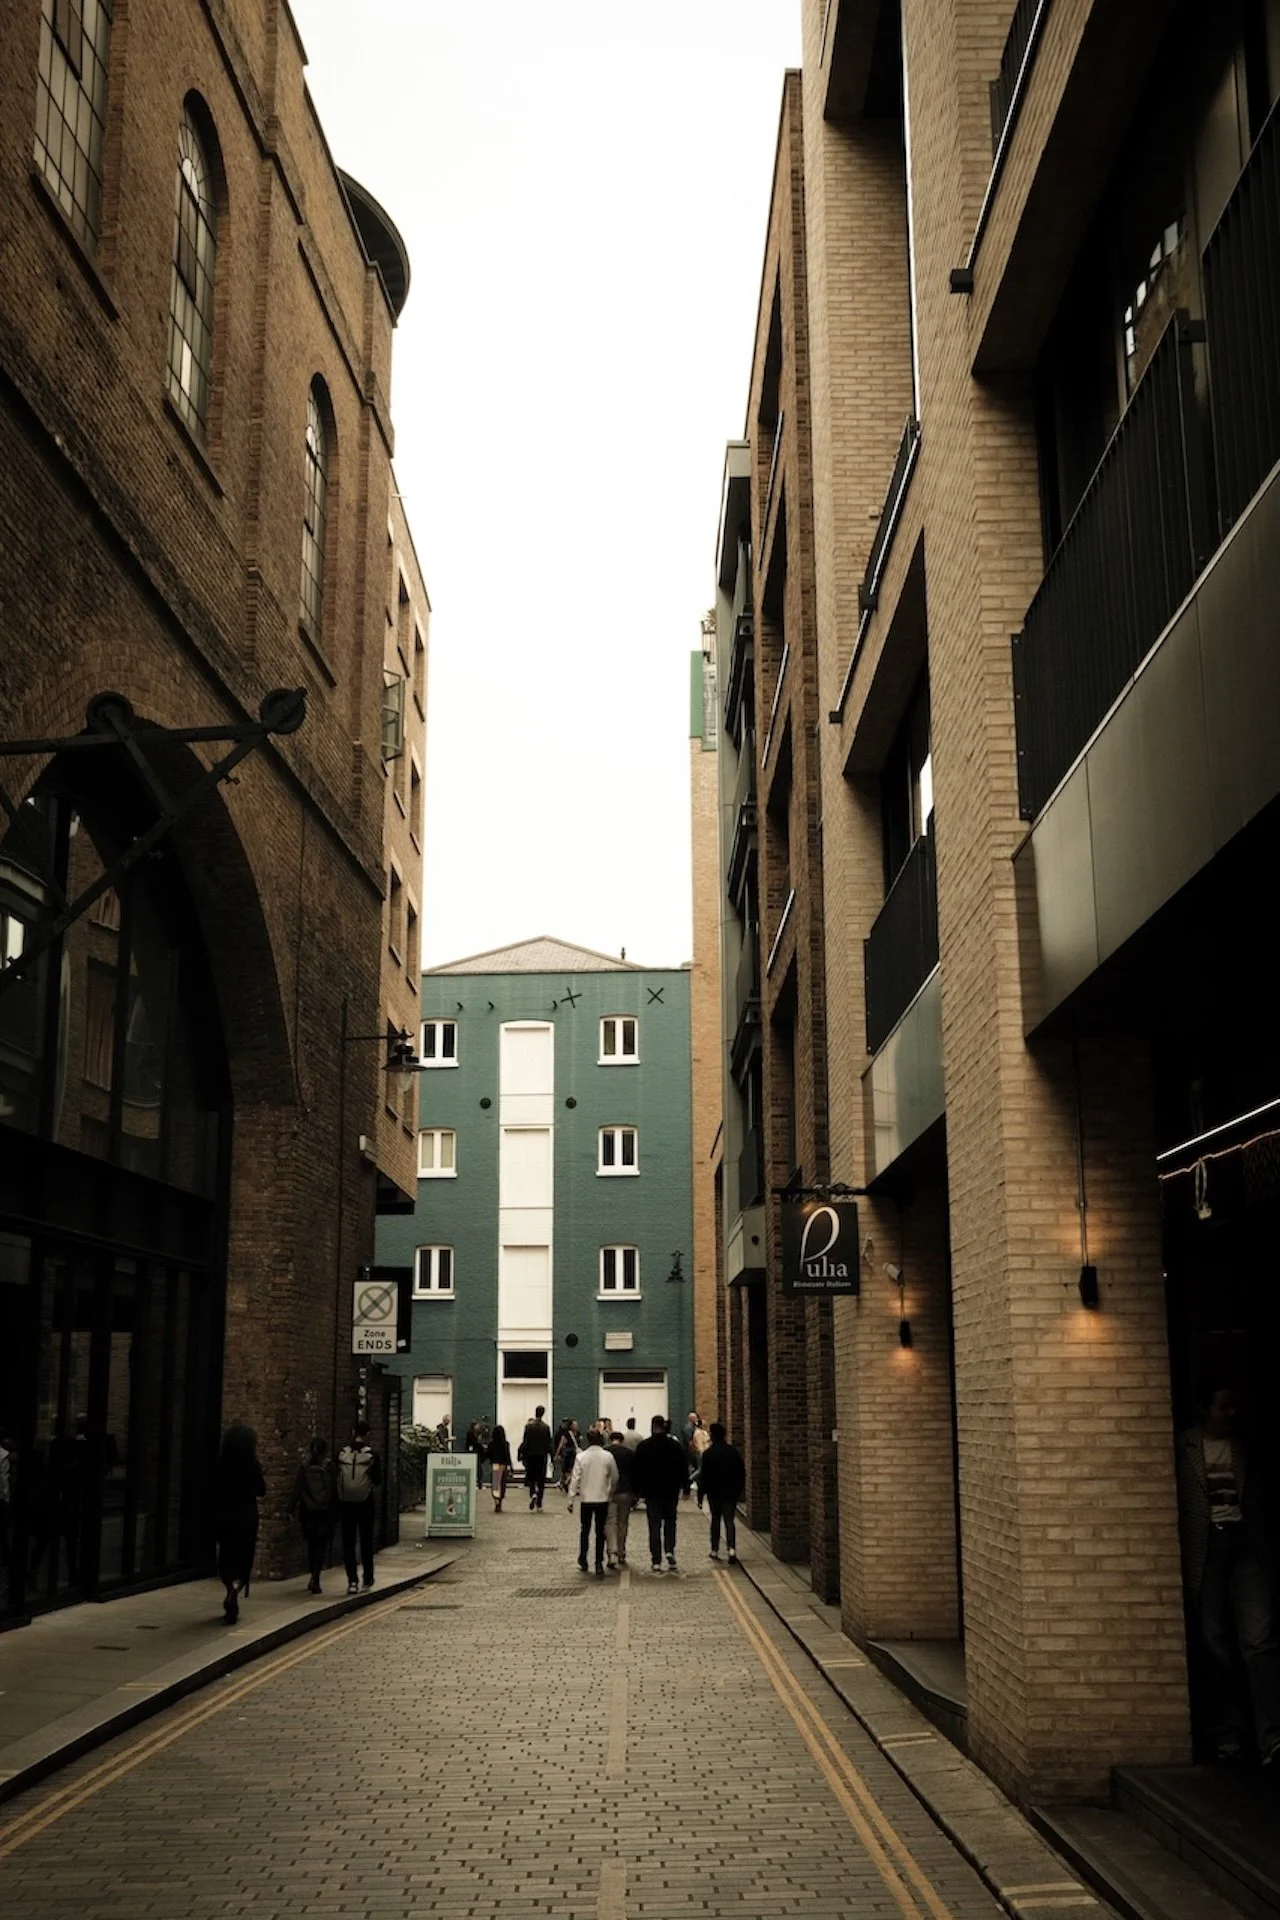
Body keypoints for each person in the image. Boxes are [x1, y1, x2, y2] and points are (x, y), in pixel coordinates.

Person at [1176, 1383, 1280, 1765]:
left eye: (1233, 1407)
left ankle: (1271, 1736)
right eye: (1223, 1408)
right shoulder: (1184, 1446)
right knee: (1213, 1640)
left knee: (1259, 1640)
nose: (1229, 1414)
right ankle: (1227, 1734)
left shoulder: (1244, 1446)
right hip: (1207, 1548)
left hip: (1245, 1545)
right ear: (1204, 1410)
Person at [214, 1424, 265, 1624]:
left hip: (224, 1517)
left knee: (226, 1557)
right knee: (244, 1559)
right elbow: (262, 1490)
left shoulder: (221, 1463)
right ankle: (235, 1589)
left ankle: (229, 1588)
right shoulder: (252, 1464)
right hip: (246, 1517)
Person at [632, 1413, 690, 1573]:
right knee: (670, 1522)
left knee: (654, 1526)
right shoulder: (674, 1445)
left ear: (652, 1426)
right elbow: (682, 1467)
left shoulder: (644, 1446)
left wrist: (636, 1491)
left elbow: (637, 1470)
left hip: (652, 1493)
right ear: (664, 1426)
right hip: (670, 1491)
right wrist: (685, 1487)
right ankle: (670, 1551)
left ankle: (656, 1560)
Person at [336, 1419, 382, 1595]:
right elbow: (377, 1481)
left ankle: (352, 1581)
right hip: (365, 1504)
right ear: (368, 1434)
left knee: (348, 1542)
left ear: (353, 1432)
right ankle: (368, 1578)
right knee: (366, 1541)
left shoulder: (341, 1453)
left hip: (346, 1504)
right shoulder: (372, 1455)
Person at [288, 1436, 336, 1595]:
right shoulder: (330, 1467)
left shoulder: (304, 1468)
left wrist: (290, 1509)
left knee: (311, 1545)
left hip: (308, 1511)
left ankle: (312, 1577)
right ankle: (316, 1577)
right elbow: (335, 1490)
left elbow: (297, 1490)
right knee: (321, 1546)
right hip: (325, 1511)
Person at [568, 1427, 617, 1576]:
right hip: (602, 1498)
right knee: (599, 1531)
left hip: (586, 1499)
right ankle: (598, 1563)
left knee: (585, 1530)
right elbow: (615, 1477)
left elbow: (575, 1478)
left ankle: (583, 1558)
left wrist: (571, 1499)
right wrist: (610, 1491)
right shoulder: (608, 1456)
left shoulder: (581, 1457)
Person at [698, 1423, 746, 1564]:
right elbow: (741, 1472)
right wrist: (738, 1490)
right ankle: (732, 1549)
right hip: (730, 1493)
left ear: (712, 1435)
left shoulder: (708, 1454)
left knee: (715, 1520)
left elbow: (704, 1476)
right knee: (729, 1521)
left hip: (714, 1493)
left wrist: (701, 1496)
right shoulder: (732, 1452)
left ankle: (715, 1549)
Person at [605, 1428, 636, 1571]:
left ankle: (611, 1552)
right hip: (625, 1490)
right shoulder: (629, 1454)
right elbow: (635, 1473)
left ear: (610, 1439)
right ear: (622, 1441)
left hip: (609, 1492)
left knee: (610, 1523)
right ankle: (622, 1553)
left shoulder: (605, 1453)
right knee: (623, 1523)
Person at [519, 1405, 553, 1511]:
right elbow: (549, 1444)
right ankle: (539, 1504)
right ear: (543, 1414)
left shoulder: (528, 1427)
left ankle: (533, 1493)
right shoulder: (546, 1427)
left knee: (531, 1477)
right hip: (542, 1456)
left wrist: (522, 1455)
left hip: (531, 1456)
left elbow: (525, 1442)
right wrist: (552, 1456)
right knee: (541, 1480)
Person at [689, 1415, 712, 1508]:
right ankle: (689, 1480)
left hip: (706, 1453)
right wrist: (702, 1453)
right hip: (701, 1454)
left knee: (702, 1472)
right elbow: (699, 1445)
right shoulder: (698, 1433)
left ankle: (694, 1481)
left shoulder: (703, 1432)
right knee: (700, 1469)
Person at [488, 1423, 513, 1510]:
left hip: (495, 1464)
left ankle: (496, 1501)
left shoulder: (491, 1444)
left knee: (495, 1484)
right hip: (503, 1465)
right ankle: (500, 1502)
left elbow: (489, 1455)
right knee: (502, 1483)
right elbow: (507, 1455)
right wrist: (510, 1465)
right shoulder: (505, 1444)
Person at [554, 1418, 580, 1493]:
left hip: (575, 1453)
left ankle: (565, 1483)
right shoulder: (566, 1434)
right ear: (571, 1426)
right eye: (574, 1425)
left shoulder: (578, 1433)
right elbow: (561, 1444)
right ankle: (566, 1483)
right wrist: (557, 1454)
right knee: (568, 1470)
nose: (576, 1426)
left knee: (574, 1470)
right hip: (568, 1453)